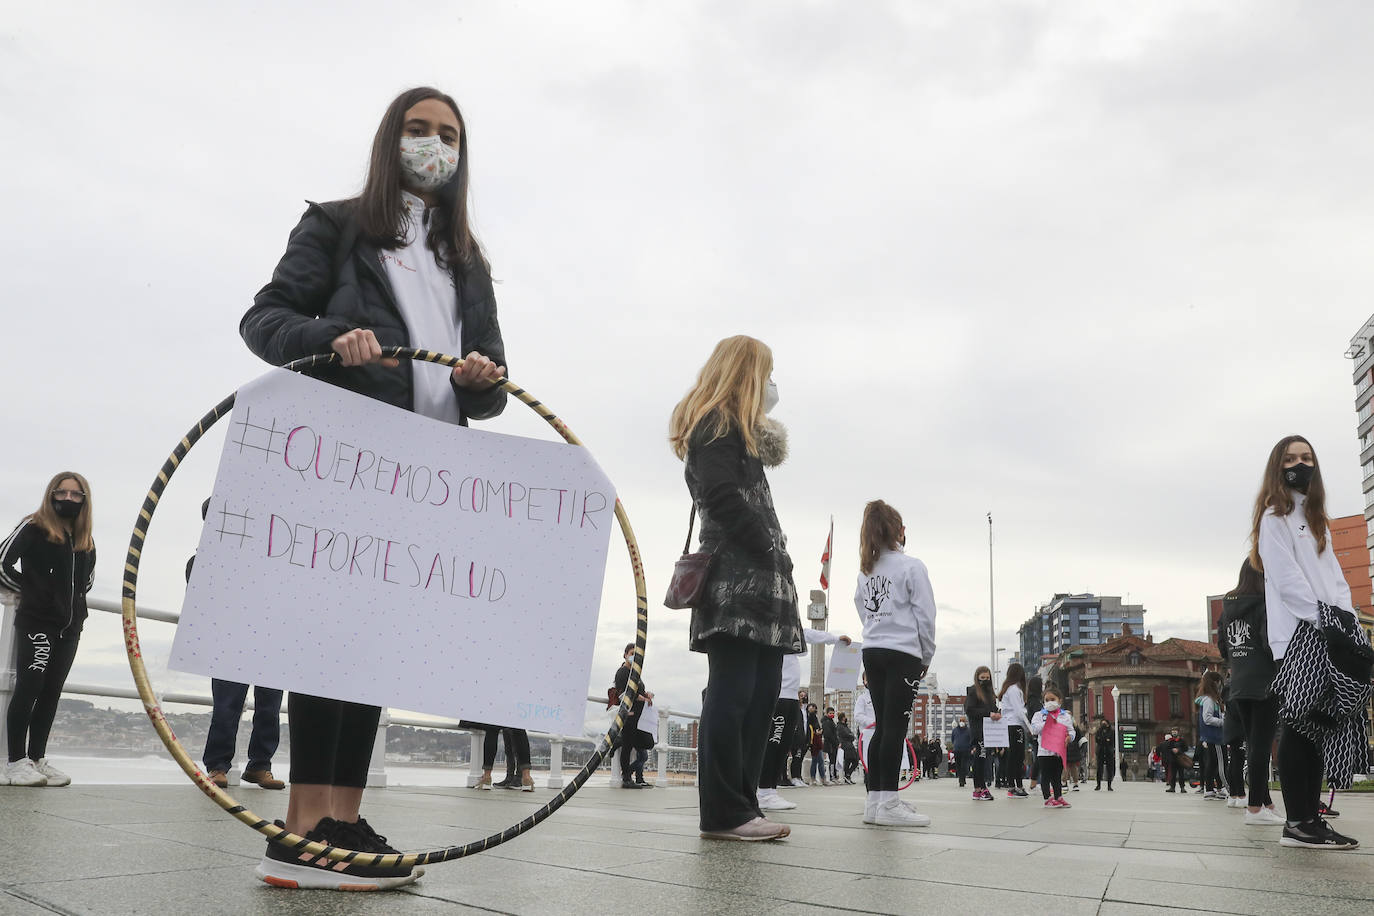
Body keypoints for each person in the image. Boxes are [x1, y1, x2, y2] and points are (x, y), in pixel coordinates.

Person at [240, 87, 508, 890]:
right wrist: (333, 338)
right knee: (328, 642)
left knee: (372, 651)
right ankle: (303, 828)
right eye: (419, 130)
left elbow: (493, 387)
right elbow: (265, 320)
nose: (434, 145)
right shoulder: (334, 223)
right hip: (347, 460)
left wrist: (481, 378)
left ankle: (343, 817)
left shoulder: (467, 260)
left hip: (428, 477)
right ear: (392, 139)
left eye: (449, 135)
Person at [669, 335, 803, 842]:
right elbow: (721, 495)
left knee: (760, 694)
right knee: (733, 694)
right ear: (747, 374)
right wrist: (765, 544)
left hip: (763, 588)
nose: (772, 385)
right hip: (735, 584)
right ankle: (724, 813)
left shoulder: (741, 436)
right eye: (766, 374)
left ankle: (744, 806)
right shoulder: (716, 424)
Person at [1252, 435, 1367, 850]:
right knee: (1300, 724)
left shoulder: (1316, 516)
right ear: (1276, 467)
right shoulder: (1274, 516)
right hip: (1301, 632)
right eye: (1290, 459)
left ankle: (1310, 819)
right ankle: (1298, 822)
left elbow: (1334, 577)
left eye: (1306, 457)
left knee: (1320, 724)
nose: (1299, 464)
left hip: (1331, 629)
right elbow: (1286, 580)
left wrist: (1348, 621)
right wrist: (1324, 618)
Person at [1, 472, 96, 789]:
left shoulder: (86, 540)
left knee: (51, 692)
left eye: (75, 495)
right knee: (30, 686)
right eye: (62, 493)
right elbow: (2, 562)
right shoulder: (34, 527)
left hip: (70, 628)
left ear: (84, 499)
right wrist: (31, 593)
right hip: (38, 623)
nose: (68, 499)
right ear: (51, 494)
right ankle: (14, 762)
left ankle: (36, 758)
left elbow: (87, 580)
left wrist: (73, 605)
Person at [188, 498, 285, 793]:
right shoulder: (203, 559)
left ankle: (260, 765)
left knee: (269, 706)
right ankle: (218, 765)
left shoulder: (273, 553)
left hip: (270, 638)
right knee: (227, 706)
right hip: (230, 640)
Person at [853, 499, 936, 828]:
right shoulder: (911, 566)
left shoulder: (866, 571)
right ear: (898, 531)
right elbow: (925, 617)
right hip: (903, 652)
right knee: (895, 728)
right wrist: (925, 655)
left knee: (881, 728)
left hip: (873, 650)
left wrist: (877, 631)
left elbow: (861, 607)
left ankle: (875, 801)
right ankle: (889, 801)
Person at [1218, 558, 1283, 824]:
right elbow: (1272, 643)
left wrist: (1238, 661)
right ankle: (1255, 808)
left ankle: (1265, 802)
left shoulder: (1228, 607)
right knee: (1260, 746)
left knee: (1254, 744)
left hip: (1239, 684)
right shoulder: (1265, 605)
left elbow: (1222, 646)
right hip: (1264, 682)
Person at [614, 643, 655, 789]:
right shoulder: (622, 672)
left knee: (646, 743)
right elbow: (622, 693)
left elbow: (640, 692)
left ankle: (619, 742)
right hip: (629, 716)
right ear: (625, 655)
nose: (633, 657)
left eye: (636, 655)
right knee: (628, 746)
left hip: (640, 718)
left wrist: (647, 695)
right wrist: (640, 698)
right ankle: (626, 778)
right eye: (631, 653)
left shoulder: (637, 675)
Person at [1030, 688, 1075, 808]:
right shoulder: (1039, 715)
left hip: (1058, 752)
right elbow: (1034, 729)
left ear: (1059, 701)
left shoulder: (1065, 716)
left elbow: (1071, 730)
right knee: (1046, 775)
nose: (1050, 702)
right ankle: (1047, 799)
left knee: (1057, 775)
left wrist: (1069, 737)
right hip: (1044, 752)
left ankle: (1058, 796)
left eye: (1052, 699)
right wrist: (1048, 723)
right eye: (1047, 700)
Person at [964, 666, 999, 801]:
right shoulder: (973, 691)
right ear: (977, 678)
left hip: (989, 730)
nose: (985, 680)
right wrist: (988, 714)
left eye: (987, 678)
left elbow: (992, 708)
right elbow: (970, 709)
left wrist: (996, 713)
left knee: (983, 759)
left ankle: (979, 789)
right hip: (979, 730)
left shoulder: (990, 693)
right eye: (982, 678)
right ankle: (980, 787)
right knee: (980, 758)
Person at [997, 663, 1029, 798]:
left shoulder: (1010, 689)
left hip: (1012, 725)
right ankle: (1013, 786)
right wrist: (1029, 727)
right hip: (1015, 725)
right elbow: (1019, 710)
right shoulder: (1014, 690)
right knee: (1016, 757)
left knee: (1015, 757)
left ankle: (1017, 785)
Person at [1195, 671, 1227, 799]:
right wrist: (1223, 722)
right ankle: (1223, 787)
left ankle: (1210, 789)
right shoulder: (1210, 700)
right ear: (1214, 683)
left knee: (1212, 763)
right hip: (1215, 737)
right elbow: (1207, 718)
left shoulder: (1207, 699)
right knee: (1221, 763)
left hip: (1211, 736)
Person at [1162, 729, 1188, 793]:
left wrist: (1179, 750)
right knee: (1172, 774)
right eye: (1173, 732)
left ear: (1178, 732)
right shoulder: (1170, 741)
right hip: (1172, 760)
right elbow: (1167, 749)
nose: (1174, 733)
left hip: (1180, 759)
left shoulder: (1182, 741)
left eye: (1175, 732)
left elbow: (1186, 748)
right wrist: (1172, 750)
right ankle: (1172, 787)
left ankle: (1182, 787)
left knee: (1181, 774)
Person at [1093, 716, 1115, 791]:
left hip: (1109, 752)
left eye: (1105, 723)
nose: (1103, 725)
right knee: (1099, 769)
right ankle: (1098, 785)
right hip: (1100, 751)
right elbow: (1097, 740)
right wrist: (1105, 740)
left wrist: (1104, 740)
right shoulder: (1099, 731)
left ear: (1108, 724)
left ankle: (1109, 785)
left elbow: (1111, 741)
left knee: (1110, 769)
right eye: (1102, 724)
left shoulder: (1111, 732)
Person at [837, 714, 859, 784]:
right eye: (845, 717)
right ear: (843, 718)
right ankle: (847, 775)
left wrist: (851, 736)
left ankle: (848, 775)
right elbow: (846, 734)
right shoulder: (840, 726)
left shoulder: (845, 726)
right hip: (846, 746)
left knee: (854, 761)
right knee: (849, 760)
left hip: (850, 745)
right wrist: (851, 736)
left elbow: (851, 735)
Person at [950, 716, 972, 787]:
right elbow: (952, 739)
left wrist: (971, 748)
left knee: (964, 766)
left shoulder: (968, 730)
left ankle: (962, 780)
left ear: (965, 722)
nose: (962, 722)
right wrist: (955, 745)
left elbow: (971, 740)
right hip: (957, 750)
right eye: (961, 720)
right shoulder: (955, 730)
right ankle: (961, 779)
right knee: (958, 766)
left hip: (965, 750)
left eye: (963, 720)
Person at [823, 707, 840, 783]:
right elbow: (828, 734)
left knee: (834, 760)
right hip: (830, 744)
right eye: (830, 713)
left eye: (833, 713)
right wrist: (834, 741)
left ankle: (834, 776)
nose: (832, 714)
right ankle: (832, 776)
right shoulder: (826, 722)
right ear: (827, 713)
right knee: (832, 760)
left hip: (834, 744)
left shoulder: (831, 721)